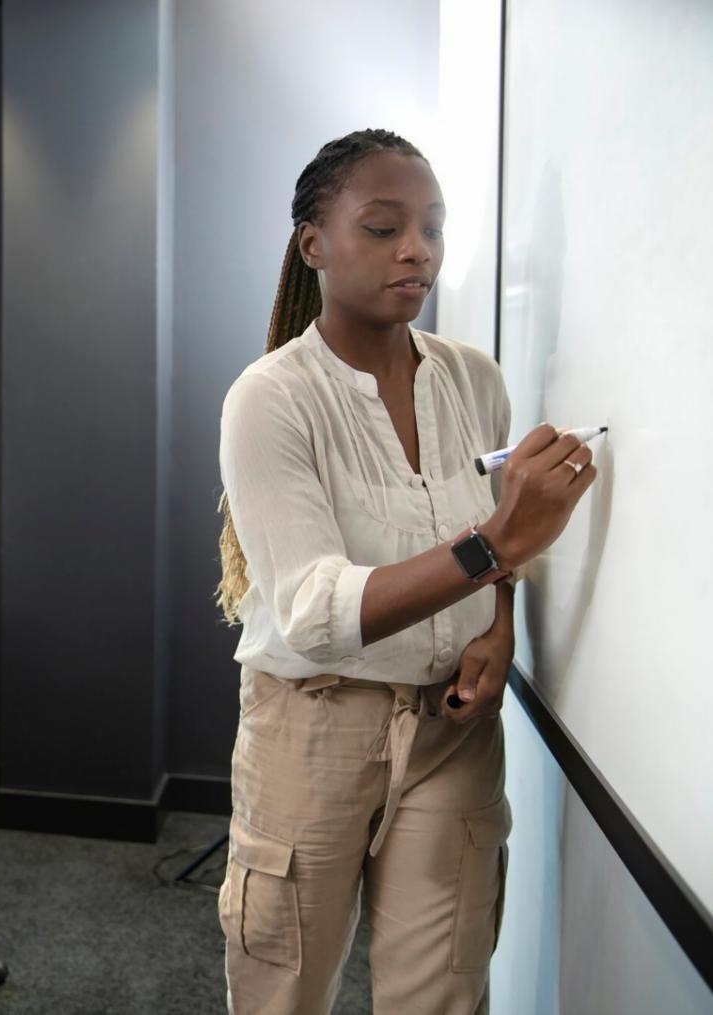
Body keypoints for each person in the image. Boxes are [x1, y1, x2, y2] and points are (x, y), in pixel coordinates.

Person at [214, 128, 597, 1014]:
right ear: (314, 245)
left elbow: (494, 562)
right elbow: (313, 610)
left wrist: (497, 634)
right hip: (310, 726)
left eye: (431, 227)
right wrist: (497, 542)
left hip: (451, 732)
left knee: (442, 992)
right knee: (284, 991)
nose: (416, 249)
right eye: (383, 228)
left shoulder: (475, 380)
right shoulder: (269, 396)